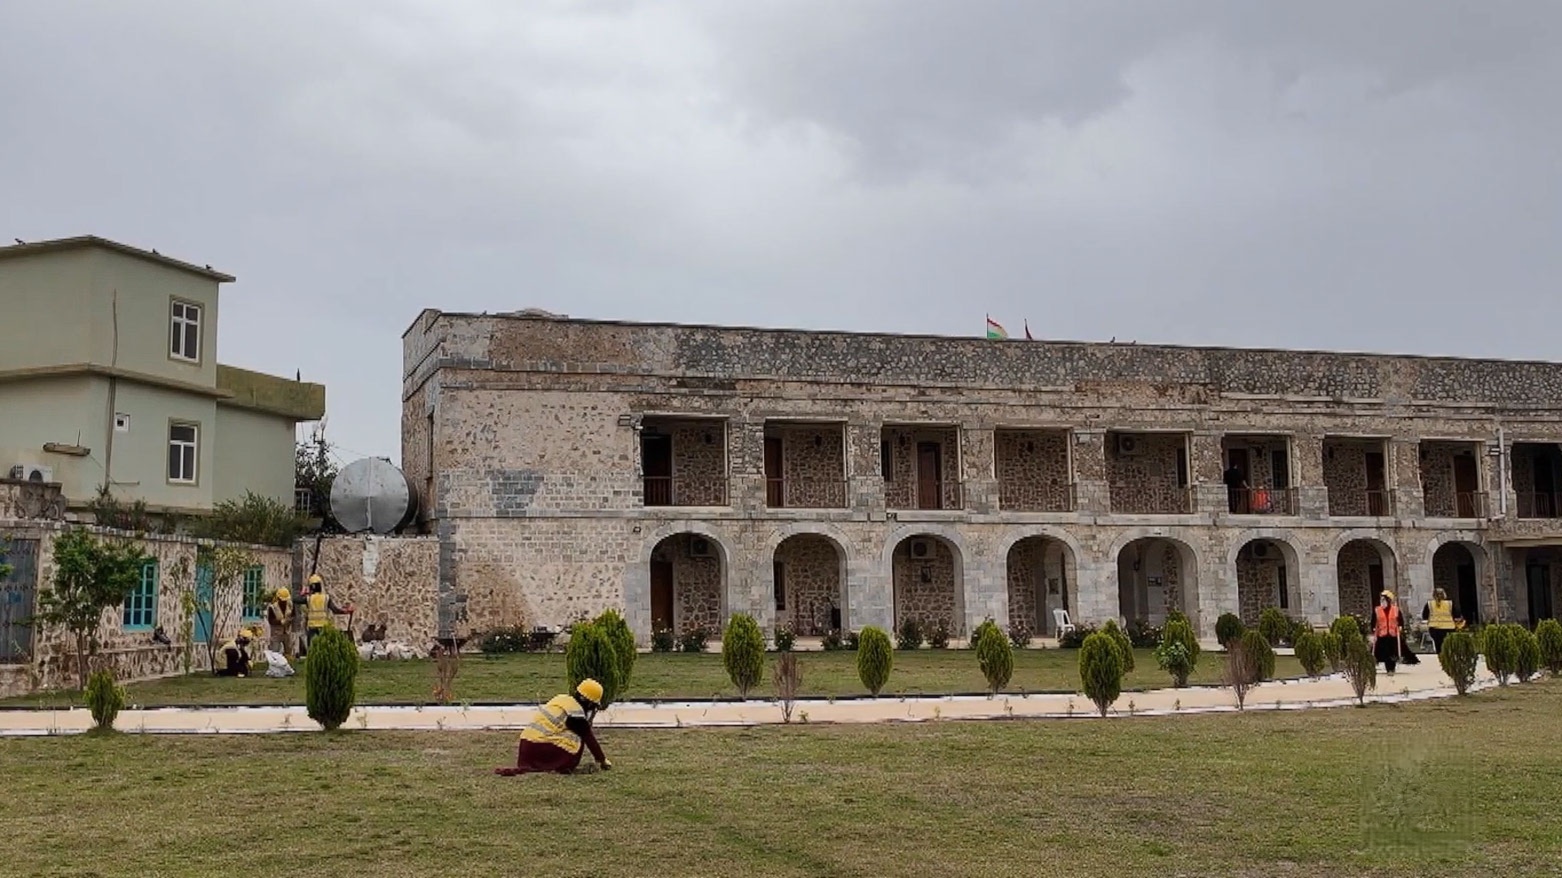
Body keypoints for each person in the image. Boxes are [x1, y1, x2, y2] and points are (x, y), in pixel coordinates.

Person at [495, 679, 613, 776]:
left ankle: (540, 766)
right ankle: (560, 767)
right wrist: (602, 760)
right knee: (578, 737)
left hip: (526, 750)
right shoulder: (575, 712)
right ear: (589, 703)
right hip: (541, 750)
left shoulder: (560, 699)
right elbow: (589, 738)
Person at [303, 574, 347, 653]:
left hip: (312, 626)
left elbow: (296, 599)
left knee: (312, 650)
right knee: (324, 649)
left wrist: (303, 593)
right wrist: (345, 611)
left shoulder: (308, 599)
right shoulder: (326, 598)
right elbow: (335, 610)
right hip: (323, 627)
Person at [1372, 590, 1407, 675]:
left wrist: (1400, 626)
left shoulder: (1395, 609)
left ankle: (1392, 667)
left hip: (1393, 634)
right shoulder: (1377, 610)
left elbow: (1400, 619)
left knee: (1393, 652)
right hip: (1382, 634)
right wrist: (1373, 628)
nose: (1382, 602)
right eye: (1381, 600)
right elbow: (1373, 620)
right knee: (1385, 652)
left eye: (1384, 600)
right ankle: (1389, 669)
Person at [1421, 588, 1460, 654]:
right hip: (1449, 628)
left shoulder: (1429, 604)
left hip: (1435, 629)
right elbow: (1456, 615)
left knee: (1438, 646)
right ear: (1444, 595)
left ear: (1433, 595)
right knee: (1448, 646)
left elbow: (1424, 616)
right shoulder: (1450, 604)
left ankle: (1440, 658)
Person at [266, 587, 294, 657]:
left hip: (287, 632)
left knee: (288, 652)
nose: (284, 602)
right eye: (282, 600)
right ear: (278, 598)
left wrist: (290, 620)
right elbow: (271, 620)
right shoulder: (272, 607)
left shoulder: (290, 605)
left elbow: (293, 615)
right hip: (276, 633)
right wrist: (280, 622)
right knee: (275, 653)